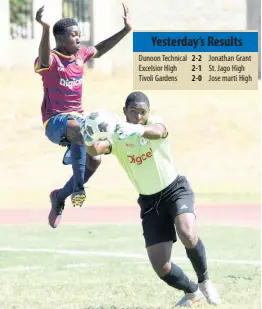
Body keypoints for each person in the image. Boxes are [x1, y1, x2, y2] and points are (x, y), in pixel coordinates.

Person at [82, 91, 221, 307]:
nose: (138, 116)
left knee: (187, 232)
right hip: (149, 202)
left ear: (148, 112)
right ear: (124, 111)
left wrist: (136, 129)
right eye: (133, 112)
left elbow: (158, 132)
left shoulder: (154, 123)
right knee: (161, 267)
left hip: (175, 190)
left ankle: (205, 282)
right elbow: (95, 149)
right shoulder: (117, 137)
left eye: (142, 112)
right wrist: (87, 136)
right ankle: (193, 292)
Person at [34, 4, 132, 228]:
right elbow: (45, 59)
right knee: (78, 129)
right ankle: (79, 187)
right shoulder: (51, 59)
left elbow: (99, 48)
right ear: (60, 38)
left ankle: (59, 197)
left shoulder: (80, 56)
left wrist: (125, 30)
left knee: (95, 160)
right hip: (55, 121)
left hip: (78, 120)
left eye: (79, 34)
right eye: (73, 35)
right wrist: (46, 29)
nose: (78, 38)